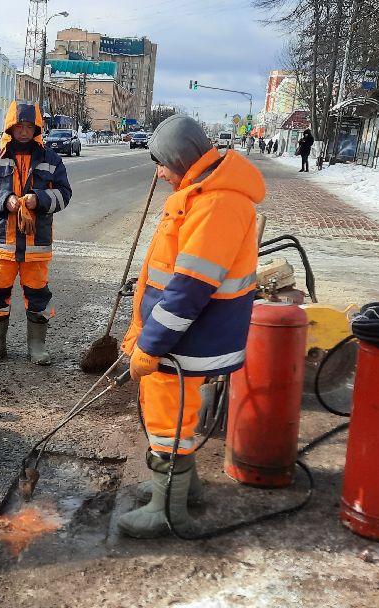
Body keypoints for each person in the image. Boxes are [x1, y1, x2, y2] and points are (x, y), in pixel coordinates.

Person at [117, 113, 264, 538]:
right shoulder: (202, 193)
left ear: (182, 159)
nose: (160, 173)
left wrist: (151, 344)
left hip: (186, 338)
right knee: (175, 415)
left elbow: (188, 290)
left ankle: (166, 510)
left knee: (168, 419)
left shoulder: (217, 203)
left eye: (162, 163)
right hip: (184, 334)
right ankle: (185, 486)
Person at [0, 101, 72, 365]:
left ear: (37, 128)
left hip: (36, 243)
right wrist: (5, 200)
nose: (24, 132)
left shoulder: (51, 157)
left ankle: (37, 346)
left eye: (29, 127)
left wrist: (39, 199)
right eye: (19, 126)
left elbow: (64, 194)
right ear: (10, 127)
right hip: (1, 241)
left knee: (38, 294)